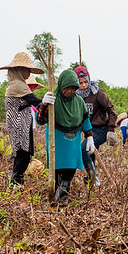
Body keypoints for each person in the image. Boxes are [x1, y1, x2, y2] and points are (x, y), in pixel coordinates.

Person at [37, 69, 94, 205]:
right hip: (57, 139)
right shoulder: (53, 100)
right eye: (66, 88)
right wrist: (44, 105)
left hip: (73, 140)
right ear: (61, 86)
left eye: (72, 88)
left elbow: (85, 121)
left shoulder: (79, 101)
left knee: (70, 168)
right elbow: (40, 120)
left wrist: (89, 136)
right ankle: (55, 195)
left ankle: (62, 197)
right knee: (57, 168)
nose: (69, 91)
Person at [0, 51, 44, 186]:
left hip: (20, 123)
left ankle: (17, 183)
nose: (29, 73)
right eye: (27, 69)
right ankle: (15, 180)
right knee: (23, 154)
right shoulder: (18, 85)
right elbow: (35, 101)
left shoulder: (15, 83)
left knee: (21, 154)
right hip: (19, 124)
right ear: (19, 70)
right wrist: (45, 102)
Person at [75, 65, 117, 187]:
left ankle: (93, 177)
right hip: (88, 131)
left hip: (101, 129)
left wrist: (111, 130)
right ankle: (91, 180)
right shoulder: (76, 96)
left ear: (89, 80)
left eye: (85, 82)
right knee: (90, 153)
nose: (83, 85)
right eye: (80, 83)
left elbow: (111, 111)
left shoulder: (97, 93)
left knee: (83, 149)